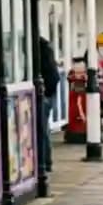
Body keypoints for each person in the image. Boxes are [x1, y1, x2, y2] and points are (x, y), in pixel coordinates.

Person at [38, 36, 60, 172]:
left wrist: (45, 94)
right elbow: (55, 77)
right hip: (49, 94)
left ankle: (45, 161)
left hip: (45, 95)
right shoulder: (48, 51)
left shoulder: (41, 54)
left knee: (42, 129)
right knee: (44, 128)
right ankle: (46, 161)